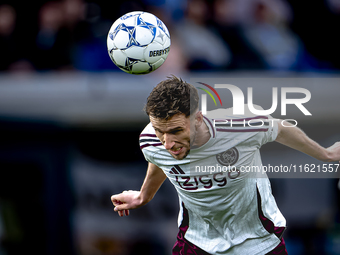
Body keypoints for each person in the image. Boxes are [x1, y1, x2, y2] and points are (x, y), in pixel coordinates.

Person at [111, 76, 340, 255]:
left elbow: (281, 129)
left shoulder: (241, 127)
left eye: (176, 131)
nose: (167, 143)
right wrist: (144, 196)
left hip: (259, 243)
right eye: (160, 131)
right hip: (196, 243)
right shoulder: (151, 142)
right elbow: (159, 160)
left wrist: (326, 154)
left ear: (198, 118)